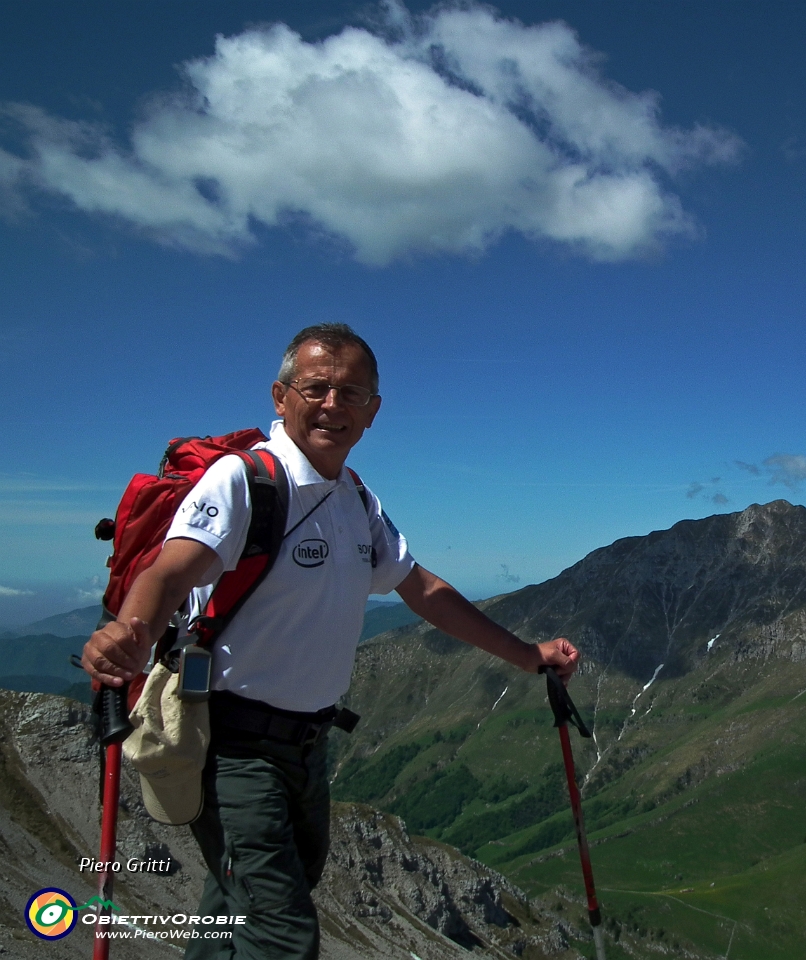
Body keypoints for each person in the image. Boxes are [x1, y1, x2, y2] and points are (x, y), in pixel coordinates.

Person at [80, 324, 579, 958]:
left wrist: (529, 655)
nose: (332, 405)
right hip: (230, 746)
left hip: (307, 747)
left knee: (245, 905)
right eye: (316, 388)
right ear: (280, 396)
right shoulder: (244, 481)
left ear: (373, 412)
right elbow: (172, 569)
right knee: (281, 934)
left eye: (351, 393)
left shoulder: (355, 498)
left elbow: (421, 590)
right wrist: (131, 629)